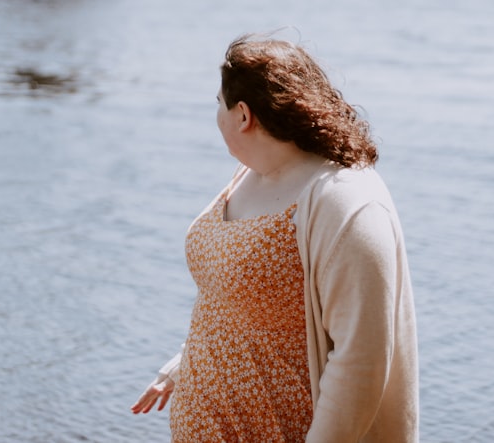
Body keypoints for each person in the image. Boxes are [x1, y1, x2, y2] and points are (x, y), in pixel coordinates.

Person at [131, 34, 418, 442]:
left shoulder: (346, 201)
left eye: (219, 104)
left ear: (243, 114)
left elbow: (361, 361)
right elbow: (245, 305)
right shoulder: (247, 174)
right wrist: (184, 366)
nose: (217, 115)